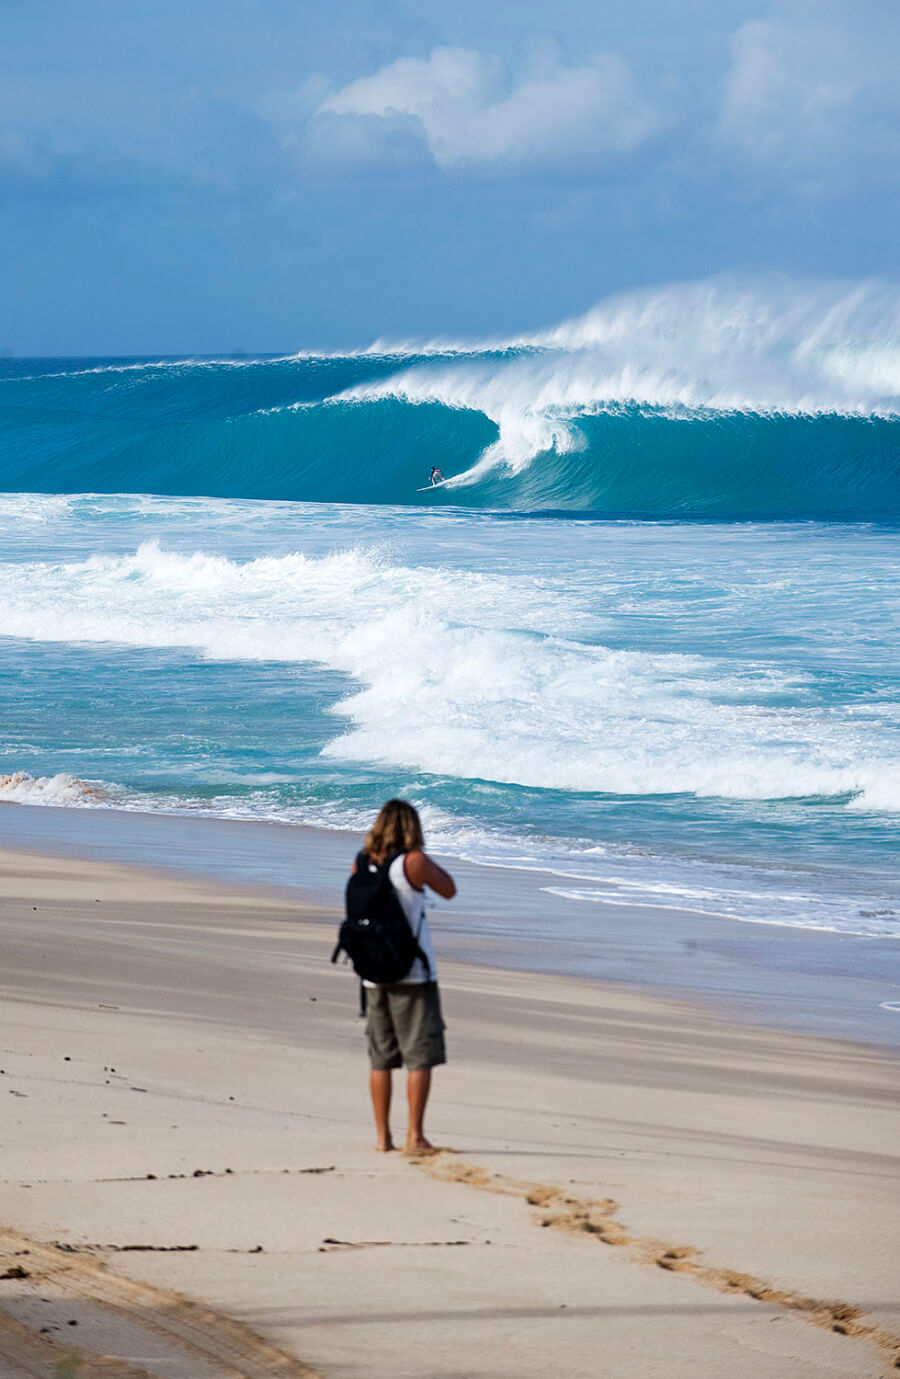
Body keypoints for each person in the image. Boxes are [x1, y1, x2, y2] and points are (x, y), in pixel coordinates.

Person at [352, 799, 456, 1154]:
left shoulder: (362, 862)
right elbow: (449, 888)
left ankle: (383, 1138)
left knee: (380, 1058)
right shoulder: (414, 861)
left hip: (372, 973)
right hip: (413, 972)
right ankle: (416, 1137)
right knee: (419, 1056)